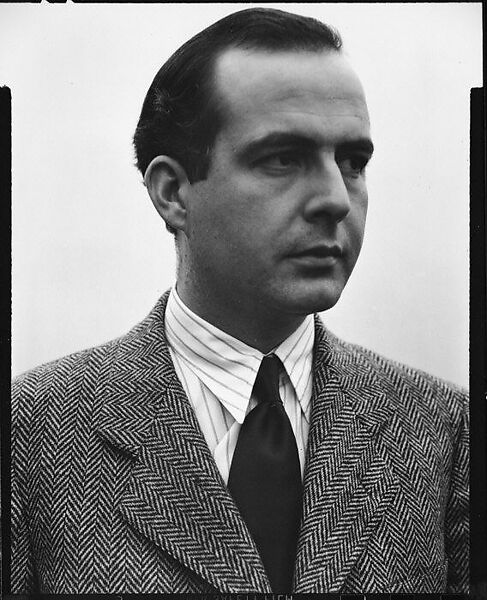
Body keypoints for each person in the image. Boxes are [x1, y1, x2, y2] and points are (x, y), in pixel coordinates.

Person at [10, 7, 468, 595]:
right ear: (173, 193)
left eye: (352, 162)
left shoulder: (443, 428)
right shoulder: (31, 432)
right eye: (283, 158)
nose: (336, 199)